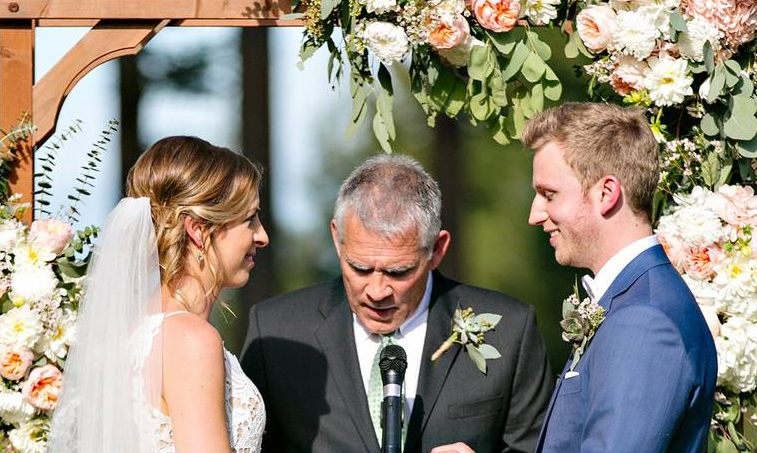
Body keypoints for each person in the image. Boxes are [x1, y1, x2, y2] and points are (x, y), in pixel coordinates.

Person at [242, 155, 553, 453]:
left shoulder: (511, 331)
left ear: (437, 249)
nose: (377, 292)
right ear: (337, 239)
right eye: (360, 268)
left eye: (398, 272)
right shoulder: (277, 332)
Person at [48, 136, 269, 452]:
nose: (262, 236)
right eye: (250, 219)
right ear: (197, 230)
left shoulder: (133, 327)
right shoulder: (191, 338)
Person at [523, 103, 717, 453]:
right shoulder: (630, 300)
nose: (535, 215)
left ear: (606, 194)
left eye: (549, 194)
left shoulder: (643, 320)